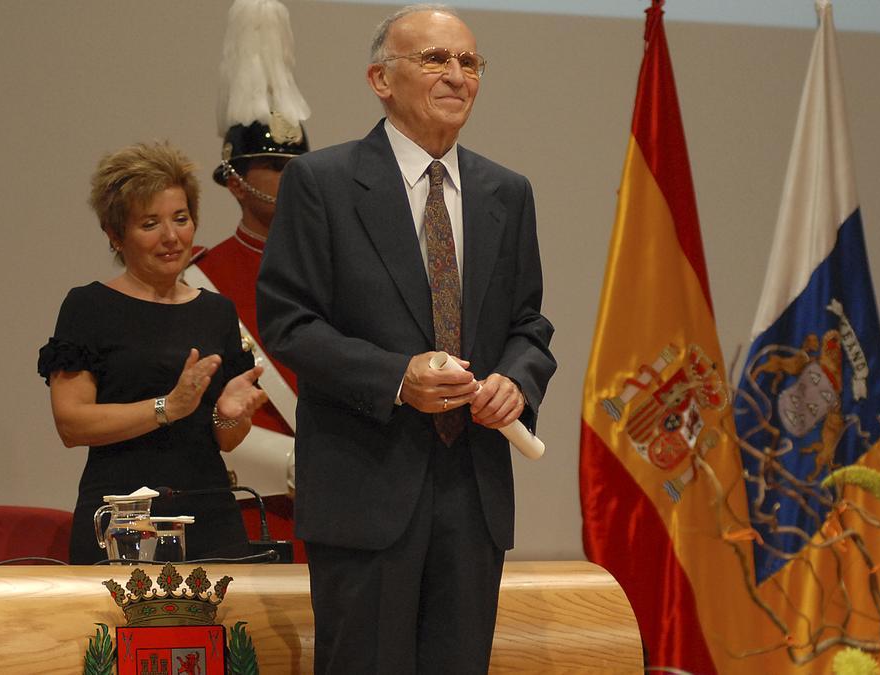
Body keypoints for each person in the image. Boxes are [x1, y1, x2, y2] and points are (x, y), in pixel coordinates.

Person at [257, 4, 556, 672]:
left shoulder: (507, 192)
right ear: (380, 79)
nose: (457, 75)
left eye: (469, 61)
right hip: (366, 491)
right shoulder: (322, 183)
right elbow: (290, 322)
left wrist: (516, 379)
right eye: (435, 59)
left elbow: (529, 326)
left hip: (473, 495)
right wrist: (398, 377)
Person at [38, 141, 268, 564]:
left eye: (181, 219)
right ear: (114, 234)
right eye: (149, 224)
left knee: (221, 632)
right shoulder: (89, 307)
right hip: (123, 518)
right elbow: (71, 423)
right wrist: (168, 406)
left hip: (209, 516)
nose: (171, 237)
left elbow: (226, 440)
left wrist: (231, 415)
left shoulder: (216, 310)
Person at [184, 0, 312, 560]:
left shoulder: (338, 268)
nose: (295, 180)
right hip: (254, 510)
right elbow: (195, 413)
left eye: (300, 168)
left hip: (346, 507)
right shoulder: (199, 280)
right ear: (236, 183)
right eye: (279, 169)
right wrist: (293, 464)